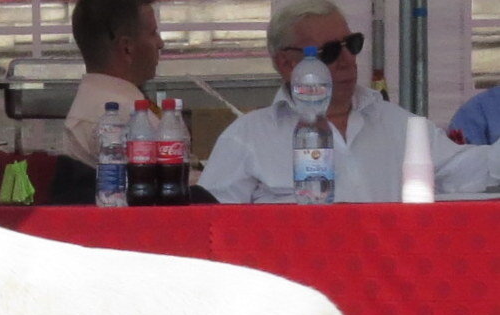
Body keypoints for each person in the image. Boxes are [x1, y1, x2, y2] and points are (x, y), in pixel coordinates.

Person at [200, 0, 500, 203]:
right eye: (330, 52)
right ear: (287, 63)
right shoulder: (247, 138)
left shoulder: (397, 123)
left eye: (352, 45)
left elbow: (469, 170)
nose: (347, 60)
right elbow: (209, 223)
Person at [63, 0, 163, 169]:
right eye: (153, 33)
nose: (160, 43)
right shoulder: (123, 118)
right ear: (127, 48)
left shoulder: (98, 103)